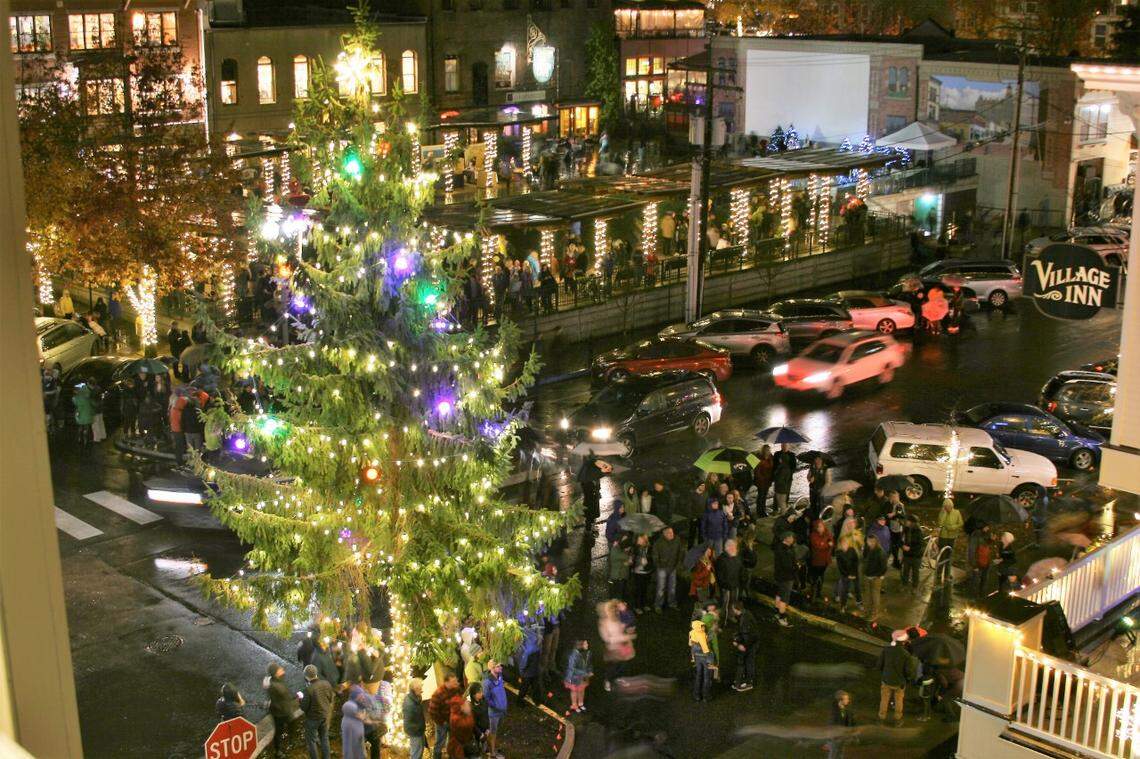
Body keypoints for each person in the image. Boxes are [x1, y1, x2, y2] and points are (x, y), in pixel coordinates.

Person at [877, 630, 919, 724]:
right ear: (904, 641)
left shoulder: (886, 650)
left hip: (886, 680)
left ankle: (881, 718)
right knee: (899, 701)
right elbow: (908, 671)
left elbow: (879, 665)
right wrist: (908, 678)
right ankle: (897, 719)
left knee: (884, 700)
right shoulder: (906, 654)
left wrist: (885, 673)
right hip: (899, 682)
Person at [598, 599, 635, 691]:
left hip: (622, 647)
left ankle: (619, 678)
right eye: (613, 610)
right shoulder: (604, 623)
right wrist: (625, 638)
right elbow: (607, 639)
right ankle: (607, 680)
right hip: (612, 649)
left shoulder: (619, 617)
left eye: (616, 610)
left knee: (623, 665)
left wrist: (627, 631)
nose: (615, 612)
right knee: (613, 667)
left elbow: (628, 621)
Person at [300, 664, 335, 759]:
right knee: (324, 737)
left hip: (313, 719)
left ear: (306, 676)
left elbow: (304, 707)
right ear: (316, 673)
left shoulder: (308, 690)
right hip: (325, 715)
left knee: (311, 741)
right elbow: (331, 698)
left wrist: (300, 699)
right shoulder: (326, 683)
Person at [265, 663, 299, 758]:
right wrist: (284, 708)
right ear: (275, 673)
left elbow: (286, 694)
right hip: (280, 713)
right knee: (279, 731)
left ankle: (292, 741)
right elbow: (277, 700)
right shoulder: (273, 686)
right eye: (279, 669)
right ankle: (278, 751)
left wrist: (294, 697)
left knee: (292, 723)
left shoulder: (279, 680)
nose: (282, 669)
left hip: (285, 709)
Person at [428, 673, 461, 759]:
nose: (455, 683)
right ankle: (436, 757)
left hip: (452, 721)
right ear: (447, 682)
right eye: (453, 681)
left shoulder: (455, 689)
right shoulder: (438, 694)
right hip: (442, 723)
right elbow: (432, 711)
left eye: (455, 681)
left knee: (451, 741)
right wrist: (441, 722)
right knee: (440, 742)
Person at [652, 526, 684, 611]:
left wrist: (678, 563)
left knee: (672, 587)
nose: (672, 534)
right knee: (661, 588)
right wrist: (659, 565)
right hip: (662, 568)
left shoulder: (677, 540)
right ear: (664, 534)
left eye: (672, 532)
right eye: (669, 533)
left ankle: (672, 603)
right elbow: (655, 555)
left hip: (673, 567)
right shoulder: (658, 542)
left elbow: (681, 552)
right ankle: (658, 605)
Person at [731, 601, 758, 692]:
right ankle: (743, 680)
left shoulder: (744, 619)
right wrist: (737, 639)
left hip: (750, 644)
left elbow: (746, 635)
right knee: (746, 661)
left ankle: (748, 682)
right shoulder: (745, 614)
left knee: (748, 662)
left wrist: (741, 645)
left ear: (736, 609)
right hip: (751, 642)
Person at [936, 498, 963, 585]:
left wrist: (953, 527)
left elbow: (960, 523)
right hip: (943, 537)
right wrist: (943, 513)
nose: (948, 508)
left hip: (952, 537)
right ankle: (939, 573)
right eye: (946, 507)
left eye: (949, 507)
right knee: (941, 555)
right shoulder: (942, 513)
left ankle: (947, 574)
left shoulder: (957, 512)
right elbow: (940, 523)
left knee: (949, 556)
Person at [773, 531, 798, 627]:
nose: (792, 539)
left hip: (779, 576)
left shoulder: (779, 548)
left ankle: (777, 611)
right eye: (791, 537)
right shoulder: (786, 550)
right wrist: (796, 567)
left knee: (779, 593)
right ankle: (782, 617)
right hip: (787, 577)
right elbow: (788, 565)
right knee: (785, 597)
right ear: (786, 538)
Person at [834, 536, 863, 613]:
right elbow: (840, 566)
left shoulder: (852, 550)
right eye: (843, 543)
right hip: (845, 575)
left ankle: (859, 603)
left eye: (846, 543)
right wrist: (847, 575)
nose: (845, 545)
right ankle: (843, 605)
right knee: (844, 590)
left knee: (857, 588)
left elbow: (856, 562)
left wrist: (853, 573)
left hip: (854, 573)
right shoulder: (839, 553)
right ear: (840, 544)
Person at [863, 534, 888, 623]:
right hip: (868, 575)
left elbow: (883, 567)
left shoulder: (880, 552)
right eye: (868, 541)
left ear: (875, 541)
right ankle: (868, 611)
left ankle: (874, 613)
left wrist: (877, 576)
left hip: (875, 577)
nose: (868, 543)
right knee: (868, 595)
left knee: (875, 595)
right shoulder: (868, 549)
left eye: (870, 541)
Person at [808, 519, 834, 602]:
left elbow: (831, 542)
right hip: (817, 560)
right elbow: (819, 546)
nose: (821, 528)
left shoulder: (827, 533)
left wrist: (825, 544)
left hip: (825, 560)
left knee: (821, 576)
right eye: (819, 527)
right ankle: (814, 595)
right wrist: (827, 544)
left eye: (822, 526)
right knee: (815, 578)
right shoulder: (813, 535)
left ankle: (818, 592)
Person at [564, 639, 593, 713]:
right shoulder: (574, 655)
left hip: (582, 677)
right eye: (585, 644)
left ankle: (580, 703)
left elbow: (589, 664)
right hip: (574, 678)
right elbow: (572, 669)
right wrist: (584, 673)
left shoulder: (588, 653)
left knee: (582, 690)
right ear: (580, 646)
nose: (587, 645)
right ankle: (574, 705)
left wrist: (590, 671)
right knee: (574, 691)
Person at [716, 539, 743, 615]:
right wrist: (726, 586)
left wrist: (741, 581)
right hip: (726, 589)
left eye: (735, 547)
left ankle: (731, 615)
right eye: (733, 547)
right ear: (727, 548)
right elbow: (720, 577)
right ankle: (723, 619)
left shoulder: (736, 557)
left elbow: (740, 570)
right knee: (724, 605)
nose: (735, 549)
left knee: (732, 602)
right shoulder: (721, 560)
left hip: (735, 586)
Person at [689, 619, 714, 702]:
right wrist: (711, 658)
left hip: (697, 658)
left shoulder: (692, 633)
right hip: (705, 658)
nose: (704, 628)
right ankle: (706, 696)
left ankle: (697, 695)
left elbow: (690, 644)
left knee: (698, 676)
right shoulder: (702, 634)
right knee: (707, 677)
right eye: (702, 627)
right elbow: (705, 648)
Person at [967, 522, 993, 597]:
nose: (988, 528)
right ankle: (973, 600)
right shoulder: (975, 535)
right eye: (987, 527)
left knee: (984, 581)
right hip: (978, 563)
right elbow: (972, 551)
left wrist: (991, 540)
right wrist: (974, 565)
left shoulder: (986, 534)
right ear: (982, 526)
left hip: (986, 562)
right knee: (975, 582)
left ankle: (982, 597)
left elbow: (985, 545)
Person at [900, 514, 925, 591]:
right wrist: (902, 546)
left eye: (907, 520)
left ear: (912, 522)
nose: (906, 522)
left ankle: (915, 587)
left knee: (915, 572)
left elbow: (920, 545)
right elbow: (902, 539)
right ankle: (904, 585)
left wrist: (909, 549)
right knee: (905, 571)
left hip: (916, 556)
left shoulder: (919, 531)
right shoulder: (906, 529)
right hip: (907, 555)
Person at [828, 690, 856, 759]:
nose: (848, 700)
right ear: (840, 700)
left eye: (848, 699)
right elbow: (831, 724)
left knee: (841, 753)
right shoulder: (834, 711)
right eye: (846, 699)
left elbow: (850, 722)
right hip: (835, 736)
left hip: (843, 736)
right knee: (834, 754)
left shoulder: (847, 710)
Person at [404, 678, 427, 759]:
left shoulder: (415, 697)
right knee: (416, 753)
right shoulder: (410, 704)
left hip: (418, 730)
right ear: (415, 689)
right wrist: (419, 729)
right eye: (420, 688)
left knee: (419, 751)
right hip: (415, 732)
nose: (422, 691)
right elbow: (409, 721)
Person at [772, 444, 797, 514]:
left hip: (787, 478)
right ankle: (776, 509)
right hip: (778, 478)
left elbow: (794, 467)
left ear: (788, 446)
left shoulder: (792, 455)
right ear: (781, 446)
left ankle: (783, 510)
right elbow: (774, 466)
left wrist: (787, 472)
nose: (784, 446)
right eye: (783, 445)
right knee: (777, 495)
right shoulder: (777, 454)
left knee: (785, 494)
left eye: (785, 445)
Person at [630, 534, 653, 612]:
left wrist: (647, 560)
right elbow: (632, 559)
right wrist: (637, 561)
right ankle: (637, 606)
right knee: (638, 590)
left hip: (647, 571)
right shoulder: (635, 548)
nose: (643, 540)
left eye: (645, 538)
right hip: (638, 572)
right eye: (641, 539)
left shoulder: (650, 548)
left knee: (645, 589)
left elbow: (653, 558)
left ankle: (644, 604)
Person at [885, 491, 907, 569]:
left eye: (895, 497)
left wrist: (893, 514)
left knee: (898, 544)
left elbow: (900, 514)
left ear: (898, 497)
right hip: (892, 528)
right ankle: (896, 561)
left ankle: (899, 562)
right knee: (894, 545)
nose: (894, 499)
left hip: (898, 529)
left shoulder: (899, 505)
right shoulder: (891, 504)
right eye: (892, 497)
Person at [753, 445, 774, 516]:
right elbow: (756, 471)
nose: (768, 452)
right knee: (761, 496)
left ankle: (763, 510)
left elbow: (773, 467)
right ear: (763, 451)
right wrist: (761, 479)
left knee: (764, 495)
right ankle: (759, 511)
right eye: (766, 450)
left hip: (768, 480)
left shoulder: (771, 457)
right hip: (761, 481)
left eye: (769, 450)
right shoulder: (759, 458)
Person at [687, 481, 708, 547]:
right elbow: (689, 506)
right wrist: (692, 517)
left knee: (701, 535)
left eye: (704, 485)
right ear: (698, 486)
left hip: (702, 517)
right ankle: (689, 548)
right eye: (701, 485)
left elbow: (707, 505)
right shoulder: (693, 494)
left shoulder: (706, 494)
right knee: (692, 534)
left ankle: (699, 549)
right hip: (694, 518)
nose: (703, 487)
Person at [807, 455, 828, 520]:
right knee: (812, 505)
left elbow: (827, 481)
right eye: (816, 459)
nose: (818, 461)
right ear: (814, 460)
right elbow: (808, 477)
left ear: (821, 461)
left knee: (820, 506)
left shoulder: (825, 469)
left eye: (819, 460)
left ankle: (820, 518)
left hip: (820, 491)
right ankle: (813, 519)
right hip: (812, 490)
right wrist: (810, 479)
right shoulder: (812, 468)